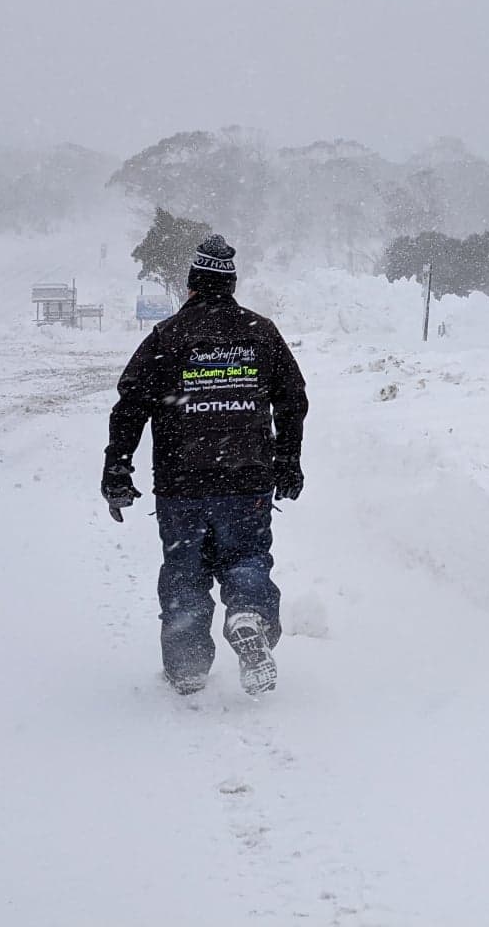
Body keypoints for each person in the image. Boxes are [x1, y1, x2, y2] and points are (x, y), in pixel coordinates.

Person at [102, 235, 308, 695]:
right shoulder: (261, 333)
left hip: (182, 486)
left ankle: (188, 666)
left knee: (185, 574)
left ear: (193, 284)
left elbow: (130, 407)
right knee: (246, 558)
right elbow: (292, 400)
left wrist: (117, 470)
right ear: (230, 283)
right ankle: (248, 614)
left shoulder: (166, 337)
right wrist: (288, 461)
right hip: (247, 479)